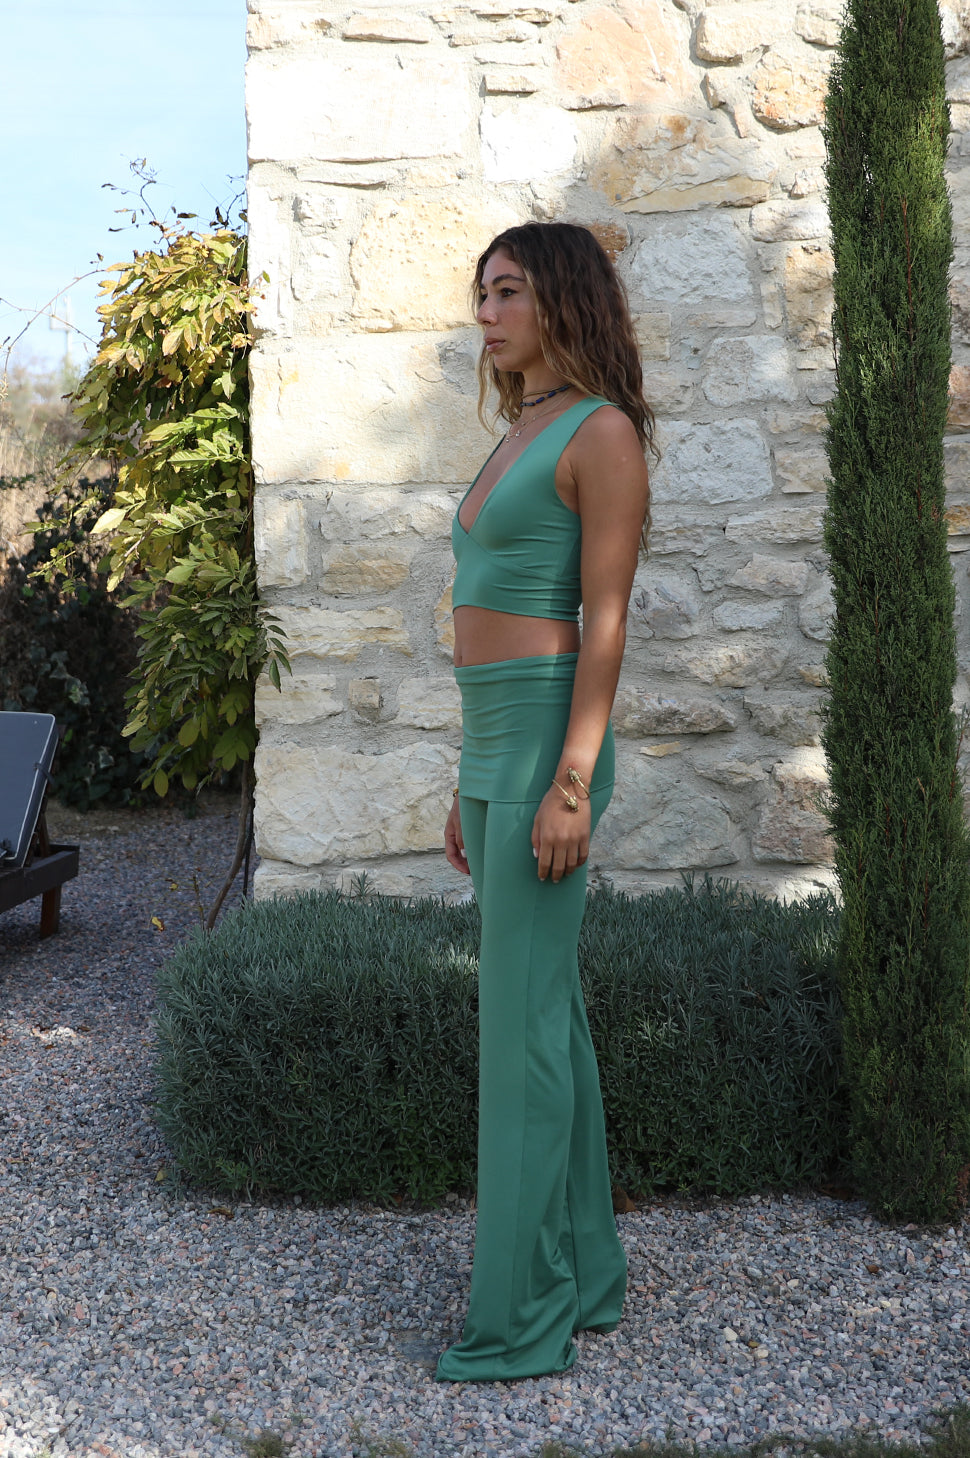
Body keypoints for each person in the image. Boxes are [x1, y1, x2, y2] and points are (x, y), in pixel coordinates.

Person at [436, 221, 655, 1384]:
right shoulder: (521, 427)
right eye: (482, 294)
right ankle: (587, 1273)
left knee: (516, 1037)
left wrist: (572, 780)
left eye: (507, 292)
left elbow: (602, 623)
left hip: (546, 749)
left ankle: (519, 1320)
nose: (486, 314)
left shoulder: (599, 432)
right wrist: (464, 780)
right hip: (493, 746)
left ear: (561, 300)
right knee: (546, 1020)